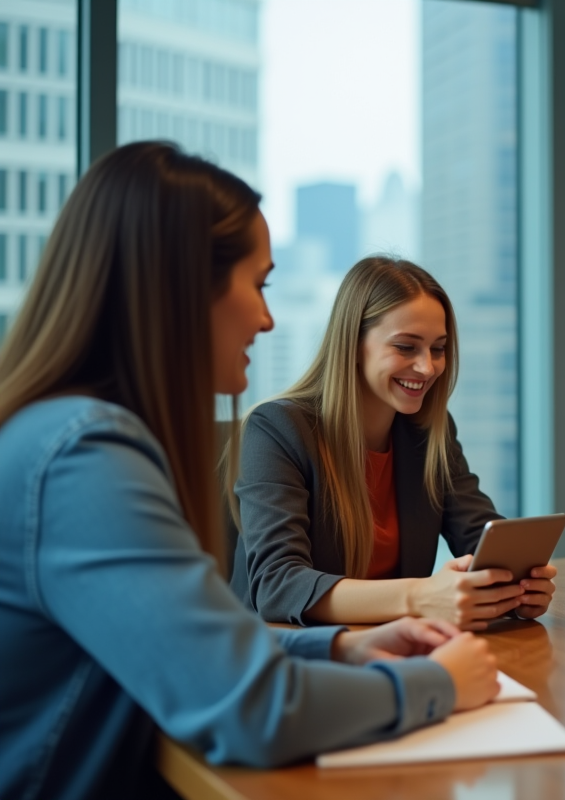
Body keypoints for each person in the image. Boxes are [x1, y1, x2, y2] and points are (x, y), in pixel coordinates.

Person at [0, 142, 501, 798]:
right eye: (260, 285)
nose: (267, 318)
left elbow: (200, 643)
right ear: (180, 286)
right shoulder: (84, 459)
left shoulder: (64, 435)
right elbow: (253, 708)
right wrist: (439, 684)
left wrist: (341, 649)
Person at [230, 257, 556, 629]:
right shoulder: (277, 430)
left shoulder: (429, 432)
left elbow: (480, 537)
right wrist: (422, 598)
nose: (428, 367)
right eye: (406, 347)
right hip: (288, 658)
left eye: (438, 348)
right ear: (353, 345)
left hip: (394, 644)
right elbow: (277, 585)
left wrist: (515, 586)